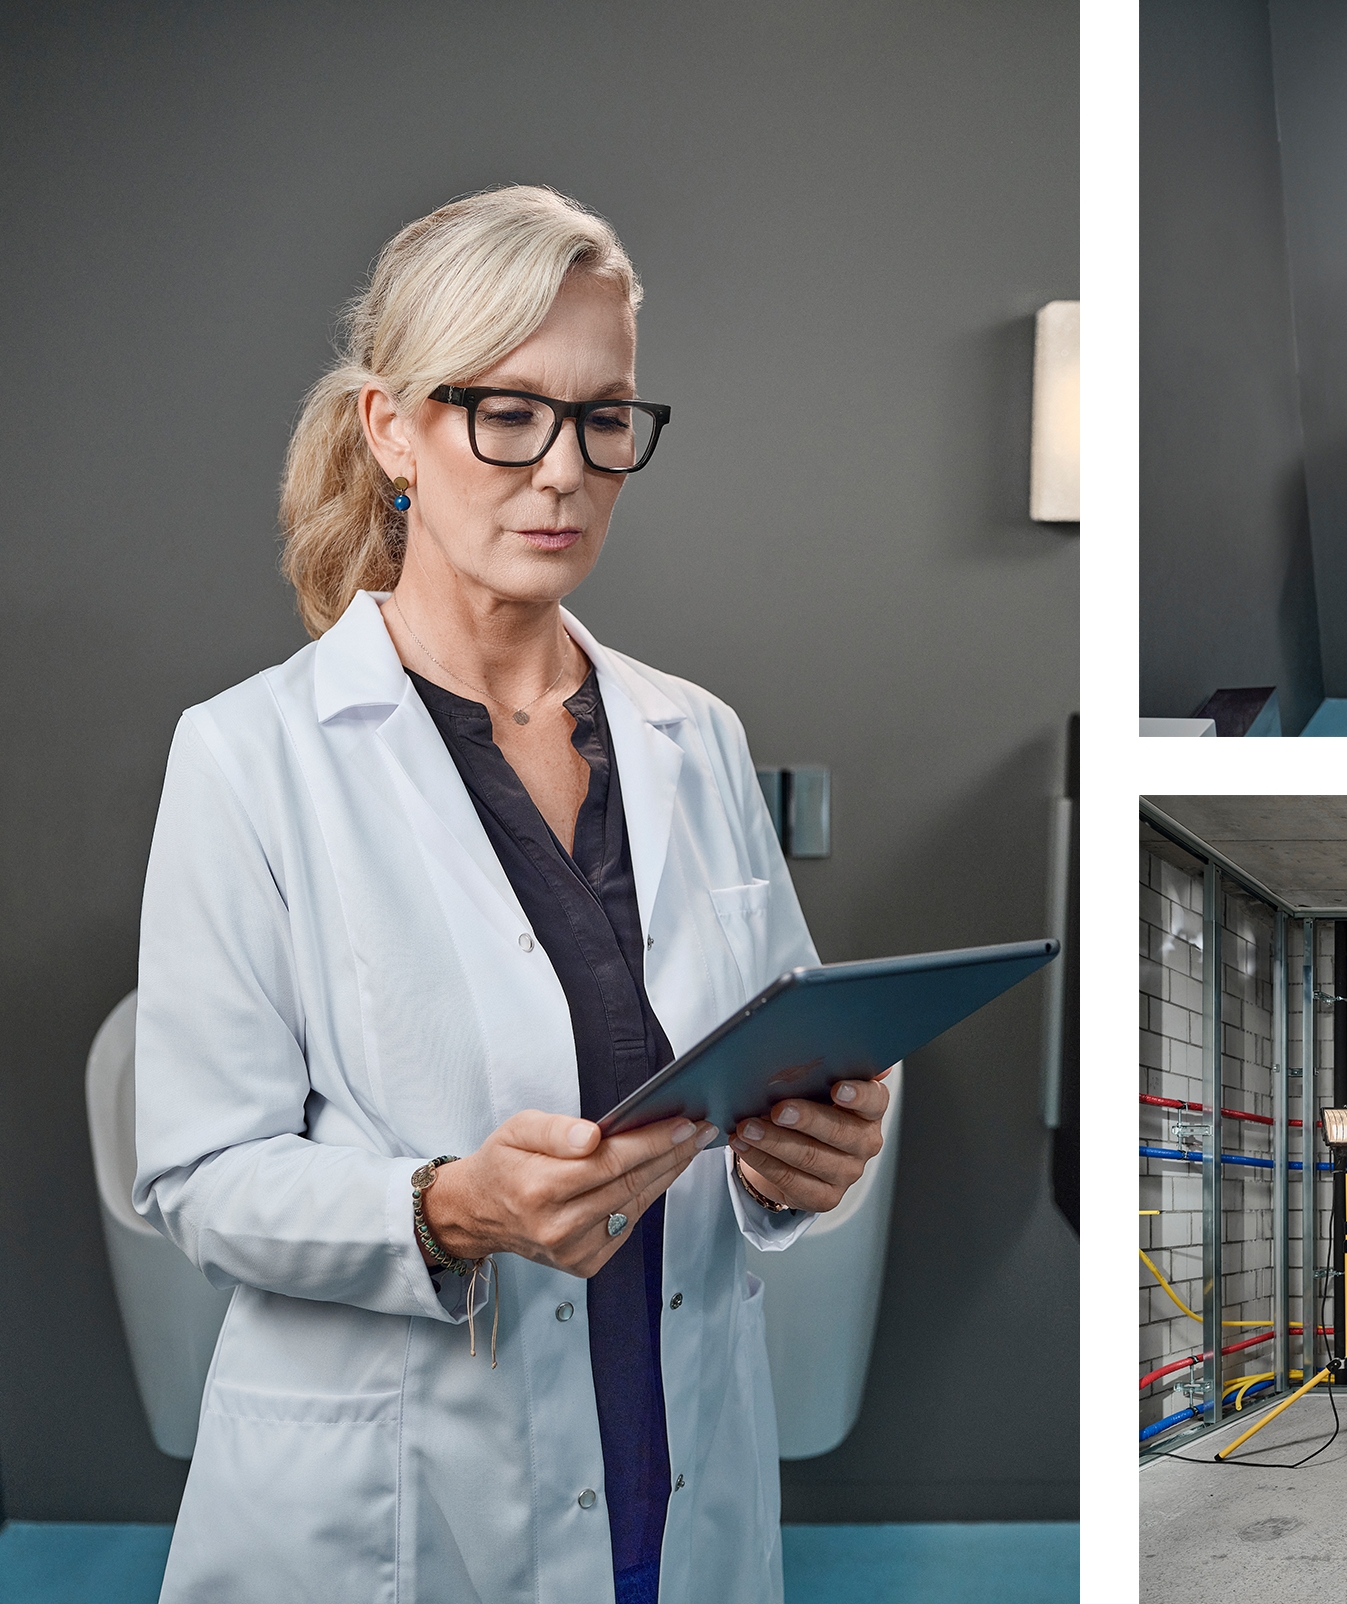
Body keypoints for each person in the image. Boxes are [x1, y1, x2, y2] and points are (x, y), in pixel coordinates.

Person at [134, 187, 891, 1604]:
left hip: (672, 1449)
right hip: (398, 1505)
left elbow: (774, 1066)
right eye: (507, 413)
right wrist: (446, 1208)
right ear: (391, 430)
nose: (562, 471)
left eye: (604, 419)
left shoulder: (696, 738)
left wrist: (809, 1156)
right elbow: (196, 1172)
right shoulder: (250, 756)